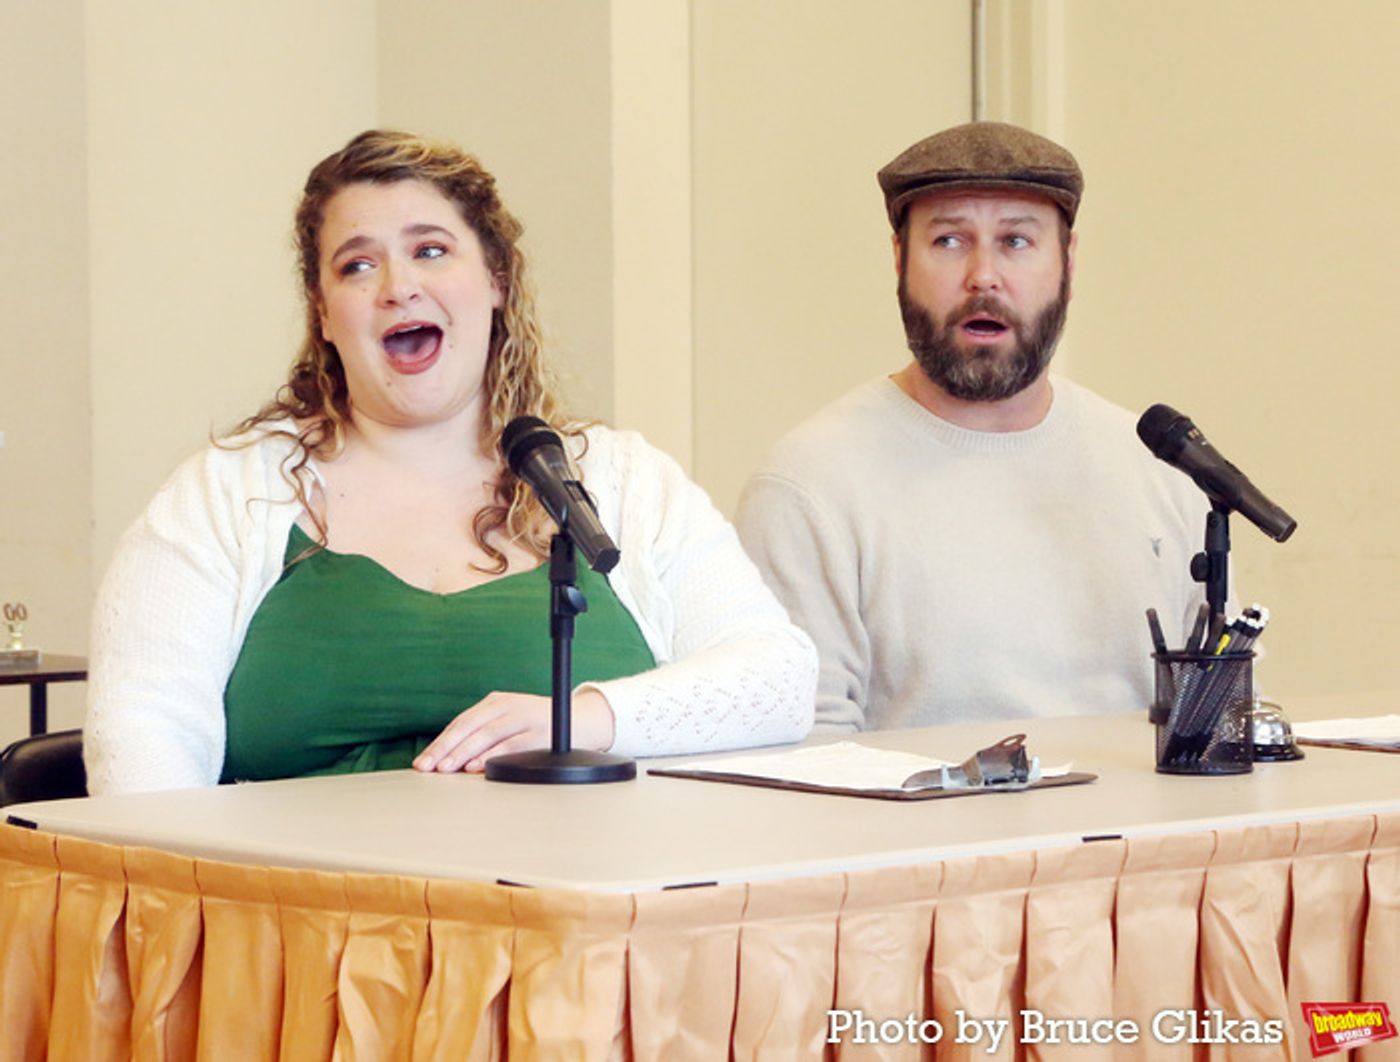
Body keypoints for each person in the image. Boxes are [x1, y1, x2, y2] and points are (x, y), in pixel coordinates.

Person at [85, 129, 816, 794]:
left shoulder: (620, 478)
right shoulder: (226, 492)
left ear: (496, 281)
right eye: (357, 264)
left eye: (430, 250)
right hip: (300, 918)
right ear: (324, 311)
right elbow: (140, 737)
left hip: (570, 915)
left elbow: (779, 680)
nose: (397, 285)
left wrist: (585, 718)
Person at [735, 121, 1208, 733]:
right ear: (900, 258)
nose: (984, 276)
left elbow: (1217, 720)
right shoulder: (809, 482)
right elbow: (807, 749)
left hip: (1144, 828)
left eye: (1016, 241)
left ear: (1067, 261)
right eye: (950, 242)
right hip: (919, 828)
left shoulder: (1157, 466)